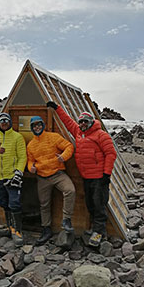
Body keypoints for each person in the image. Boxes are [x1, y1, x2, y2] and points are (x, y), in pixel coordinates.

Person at [47, 101, 117, 247]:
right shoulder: (79, 132)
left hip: (99, 177)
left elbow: (111, 153)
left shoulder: (100, 135)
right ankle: (94, 229)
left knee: (99, 205)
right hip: (86, 177)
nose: (83, 124)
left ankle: (99, 232)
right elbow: (67, 121)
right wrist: (57, 108)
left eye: (85, 121)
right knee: (90, 204)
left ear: (91, 122)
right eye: (81, 122)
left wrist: (106, 175)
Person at [27, 116, 76, 245]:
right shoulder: (31, 145)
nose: (37, 127)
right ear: (32, 128)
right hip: (42, 177)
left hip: (57, 173)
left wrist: (63, 157)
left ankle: (66, 220)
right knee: (44, 204)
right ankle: (46, 229)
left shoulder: (53, 137)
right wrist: (30, 167)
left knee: (70, 190)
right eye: (34, 126)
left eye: (39, 124)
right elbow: (30, 160)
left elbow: (69, 146)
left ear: (43, 125)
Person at [0, 112, 27, 246]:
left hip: (13, 176)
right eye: (1, 121)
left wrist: (18, 172)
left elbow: (22, 156)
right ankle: (10, 228)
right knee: (4, 203)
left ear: (10, 122)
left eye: (6, 120)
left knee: (14, 203)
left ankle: (17, 231)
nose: (4, 123)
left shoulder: (17, 137)